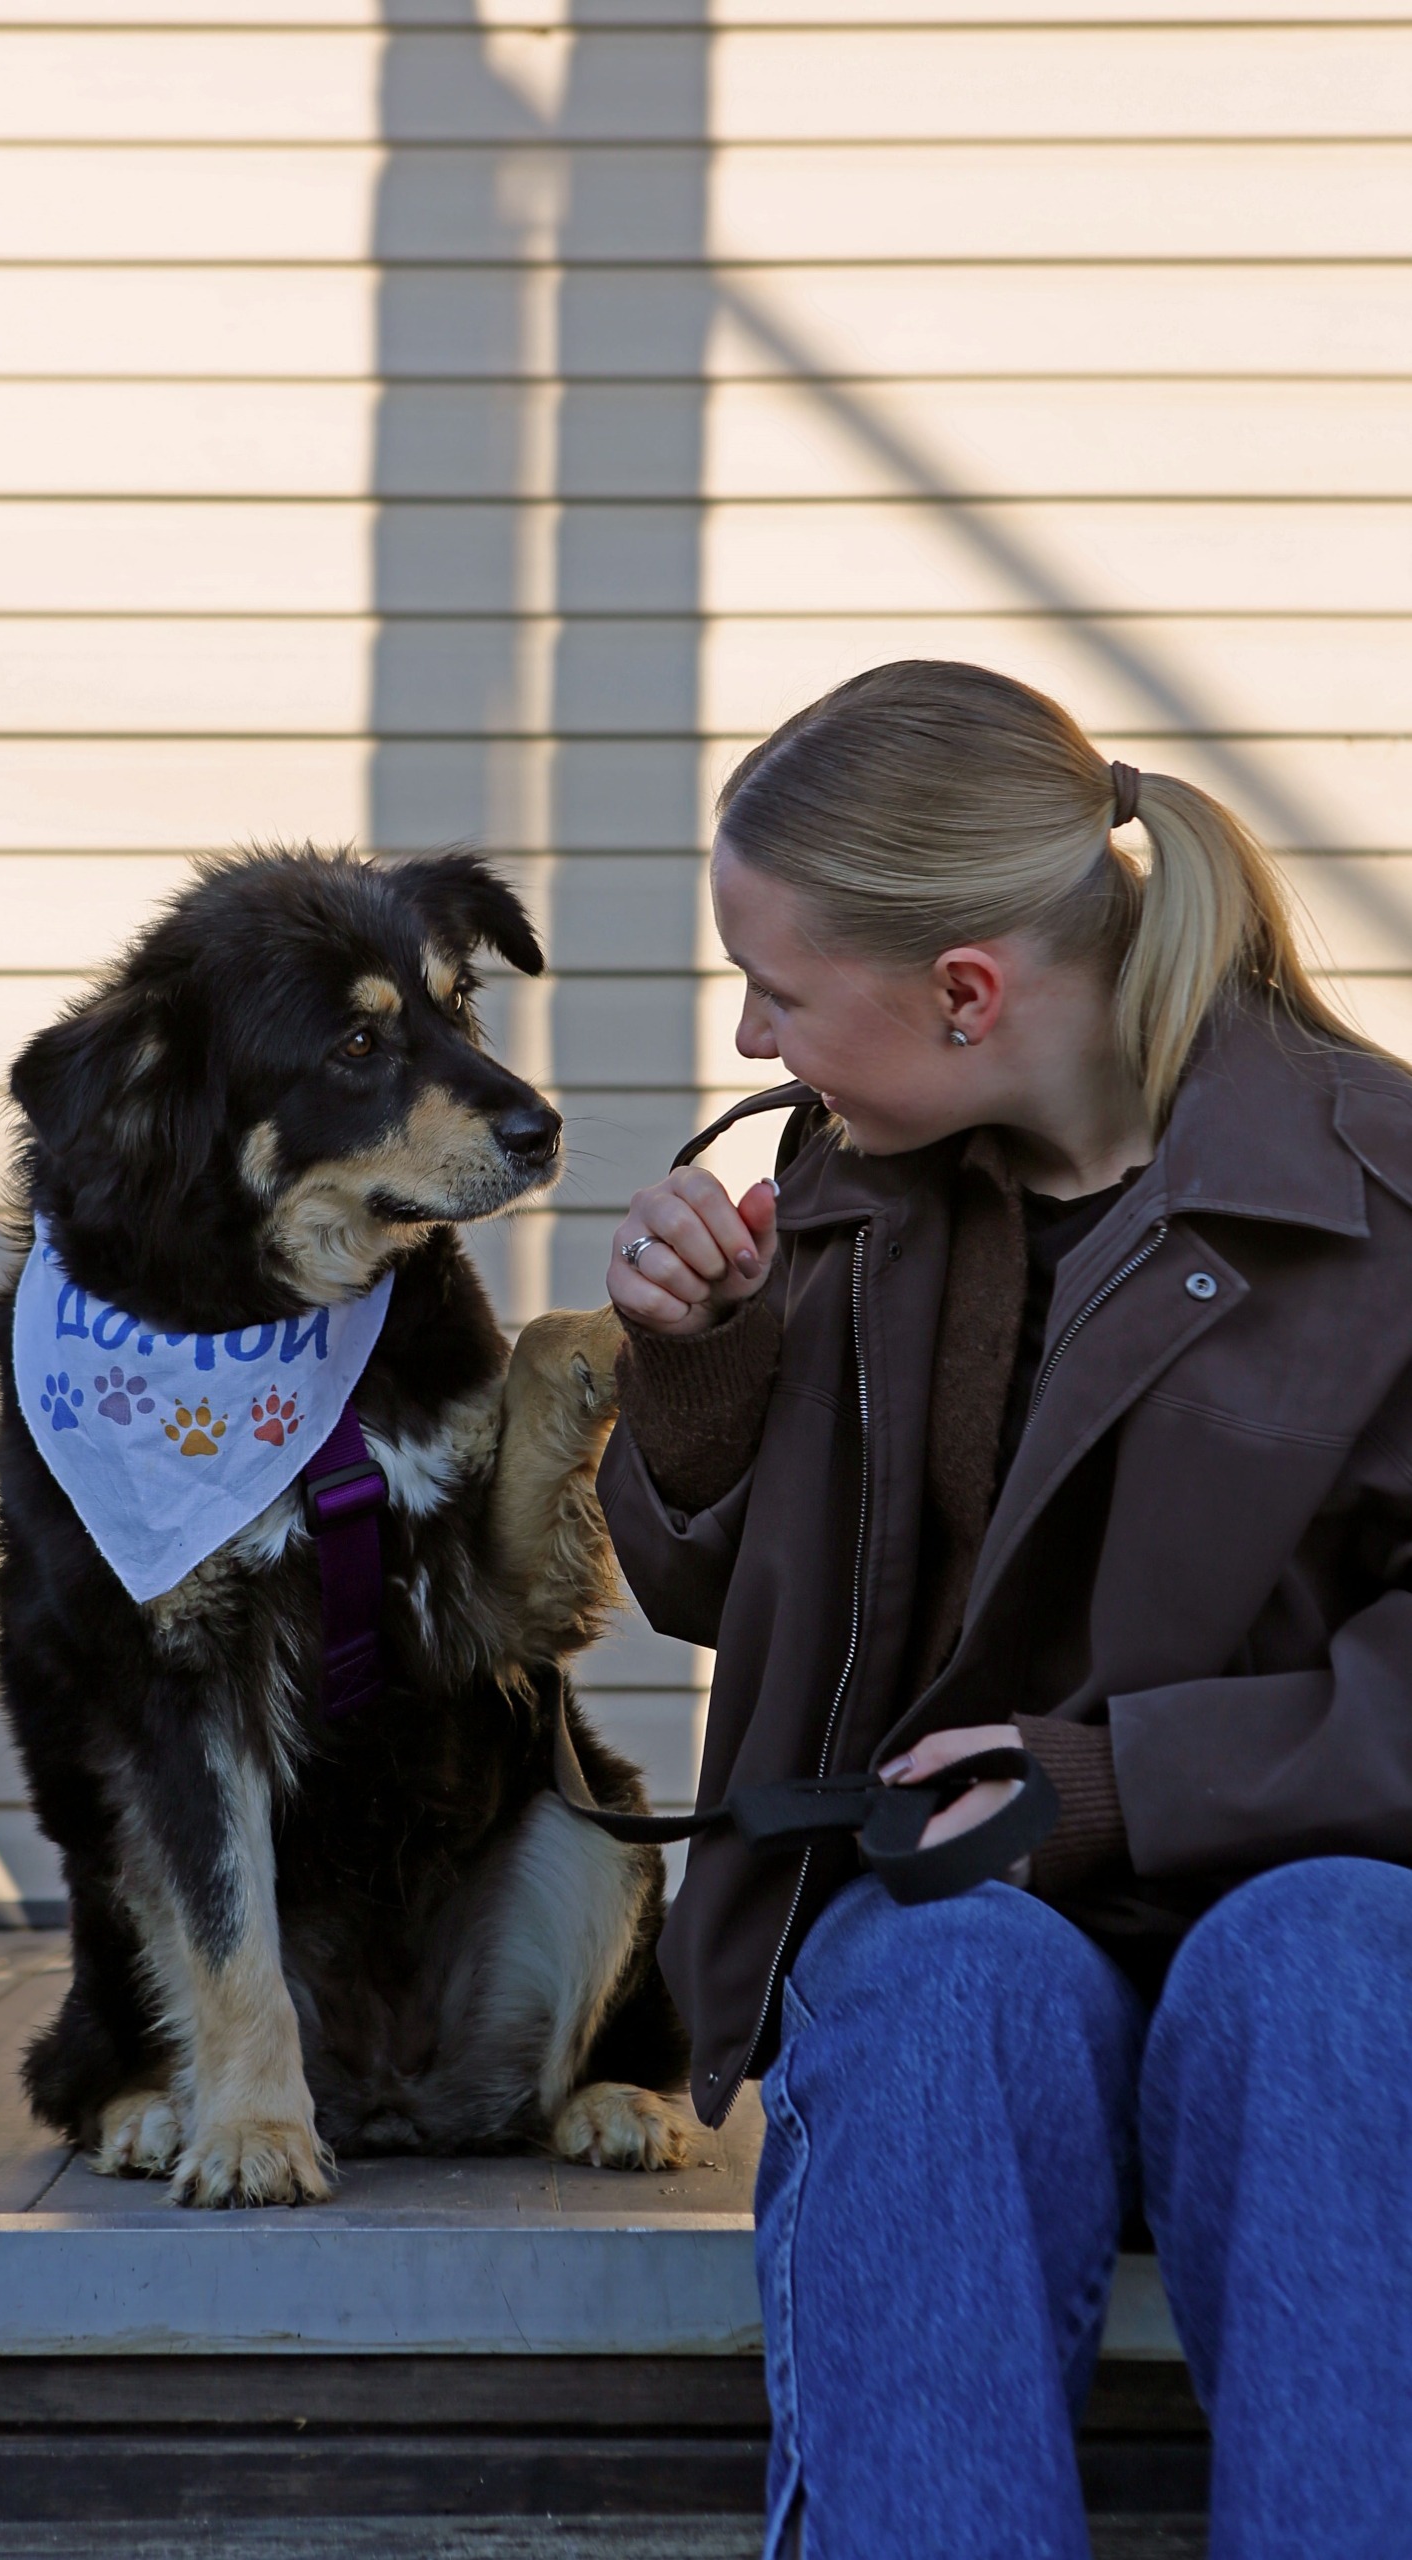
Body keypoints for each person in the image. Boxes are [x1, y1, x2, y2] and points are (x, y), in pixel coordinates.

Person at [599, 661, 1412, 2560]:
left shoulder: (1381, 1202)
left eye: (776, 990)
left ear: (964, 991)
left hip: (1324, 1951)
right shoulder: (839, 1194)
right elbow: (719, 1599)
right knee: (928, 1981)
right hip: (973, 1952)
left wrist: (1123, 1781)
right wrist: (695, 1369)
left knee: (1317, 1963)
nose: (749, 1036)